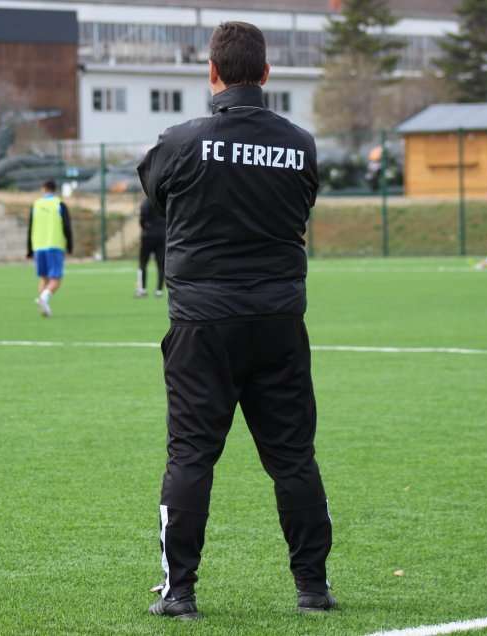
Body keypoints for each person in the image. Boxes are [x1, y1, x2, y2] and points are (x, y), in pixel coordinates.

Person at [137, 21, 333, 620]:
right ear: (267, 73)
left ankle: (181, 593)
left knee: (191, 456)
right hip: (278, 320)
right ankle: (312, 588)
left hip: (203, 324)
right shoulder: (299, 144)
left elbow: (156, 193)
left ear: (212, 72)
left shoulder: (180, 139)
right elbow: (303, 205)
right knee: (293, 456)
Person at [26, 180, 72, 317]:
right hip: (54, 245)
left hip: (38, 246)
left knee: (43, 278)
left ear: (43, 188)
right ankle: (44, 298)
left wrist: (29, 249)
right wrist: (69, 245)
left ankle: (43, 308)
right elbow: (67, 227)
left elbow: (30, 228)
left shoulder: (36, 205)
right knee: (56, 279)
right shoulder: (59, 204)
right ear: (55, 189)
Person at [135, 199, 166, 298]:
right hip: (162, 236)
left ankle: (142, 290)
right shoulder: (163, 202)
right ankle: (159, 291)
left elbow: (142, 219)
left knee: (142, 263)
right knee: (161, 264)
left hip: (148, 235)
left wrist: (145, 227)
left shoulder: (146, 202)